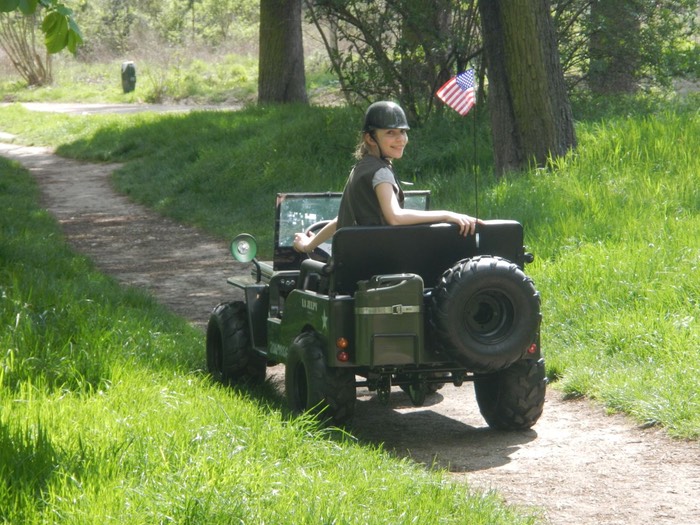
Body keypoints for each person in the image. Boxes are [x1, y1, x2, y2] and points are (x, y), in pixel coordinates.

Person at [293, 101, 481, 254]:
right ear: (370, 138)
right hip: (380, 265)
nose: (400, 139)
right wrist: (448, 215)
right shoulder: (380, 172)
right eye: (390, 133)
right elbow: (395, 217)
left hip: (355, 261)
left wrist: (308, 245)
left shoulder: (361, 167)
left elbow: (342, 220)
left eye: (403, 132)